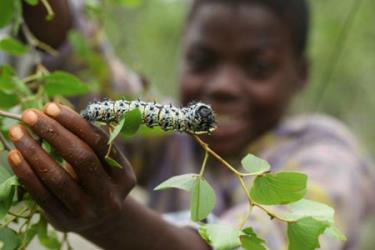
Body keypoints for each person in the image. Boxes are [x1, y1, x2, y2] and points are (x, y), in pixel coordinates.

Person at [5, 0, 375, 249]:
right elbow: (84, 69)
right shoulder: (177, 136)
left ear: (301, 74)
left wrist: (111, 224)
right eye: (203, 61)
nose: (223, 86)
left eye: (258, 67)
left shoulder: (330, 157)